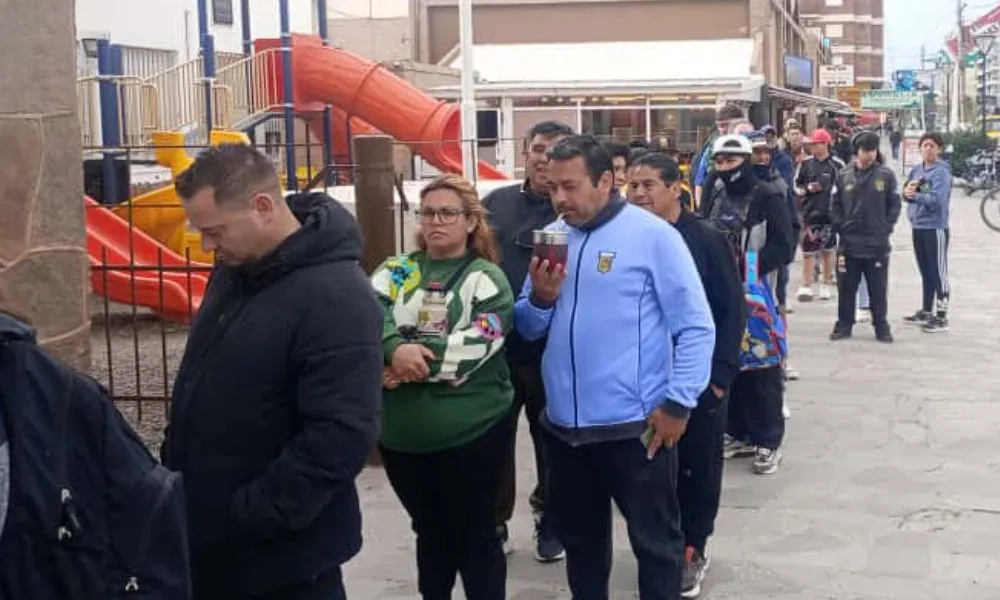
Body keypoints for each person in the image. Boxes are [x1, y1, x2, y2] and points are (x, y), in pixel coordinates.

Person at [164, 144, 383, 600]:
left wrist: (248, 514)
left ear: (262, 207)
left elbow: (341, 435)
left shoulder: (337, 297)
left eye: (215, 231)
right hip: (212, 545)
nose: (206, 247)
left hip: (283, 562)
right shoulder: (236, 270)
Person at [515, 135, 715, 599]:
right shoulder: (553, 237)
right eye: (553, 187)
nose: (559, 198)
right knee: (583, 550)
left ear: (606, 181)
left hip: (635, 429)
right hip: (564, 431)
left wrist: (679, 402)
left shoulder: (653, 237)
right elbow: (526, 326)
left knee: (656, 547)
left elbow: (695, 326)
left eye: (570, 186)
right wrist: (541, 298)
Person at [374, 174, 514, 600]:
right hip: (402, 439)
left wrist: (402, 363)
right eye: (428, 212)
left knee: (474, 536)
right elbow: (366, 311)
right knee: (429, 533)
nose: (436, 221)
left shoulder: (486, 278)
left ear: (471, 221)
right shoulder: (401, 269)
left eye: (448, 213)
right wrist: (393, 347)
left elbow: (479, 343)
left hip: (471, 436)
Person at [627, 153, 745, 599]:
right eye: (632, 185)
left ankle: (693, 548)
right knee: (653, 470)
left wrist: (718, 379)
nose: (639, 194)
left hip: (699, 381)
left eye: (648, 185)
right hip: (647, 381)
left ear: (675, 189)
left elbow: (731, 310)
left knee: (698, 470)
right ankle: (661, 547)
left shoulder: (705, 238)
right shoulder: (631, 237)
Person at [483, 119, 573, 562]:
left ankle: (551, 519)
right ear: (525, 153)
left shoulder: (575, 211)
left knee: (552, 440)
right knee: (493, 441)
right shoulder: (494, 205)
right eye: (538, 148)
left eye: (557, 149)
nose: (545, 158)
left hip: (552, 351)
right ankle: (494, 520)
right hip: (497, 349)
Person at [699, 134, 794, 475]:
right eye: (719, 161)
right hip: (715, 288)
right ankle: (738, 432)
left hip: (755, 291)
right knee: (729, 361)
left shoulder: (768, 194)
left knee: (762, 366)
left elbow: (784, 245)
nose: (725, 168)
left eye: (731, 161)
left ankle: (768, 440)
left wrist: (747, 268)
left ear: (747, 160)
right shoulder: (714, 190)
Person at [829, 131, 901, 343]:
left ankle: (881, 326)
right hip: (849, 243)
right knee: (846, 287)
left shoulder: (885, 176)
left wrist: (886, 226)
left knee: (878, 288)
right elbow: (835, 205)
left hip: (876, 243)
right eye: (865, 150)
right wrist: (840, 225)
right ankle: (844, 325)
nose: (869, 154)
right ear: (857, 151)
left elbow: (894, 204)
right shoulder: (843, 175)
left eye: (873, 150)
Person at [903, 132, 953, 333]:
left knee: (938, 272)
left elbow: (936, 200)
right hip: (918, 226)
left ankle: (941, 316)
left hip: (935, 227)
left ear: (939, 149)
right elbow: (908, 192)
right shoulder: (917, 170)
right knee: (925, 271)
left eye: (933, 145)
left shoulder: (942, 172)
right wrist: (909, 193)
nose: (928, 149)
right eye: (925, 145)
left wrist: (916, 194)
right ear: (920, 149)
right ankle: (926, 310)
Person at [794, 128, 844, 302]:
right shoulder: (805, 163)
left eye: (816, 144)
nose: (813, 147)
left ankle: (826, 283)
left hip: (830, 215)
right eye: (812, 144)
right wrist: (806, 189)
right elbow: (796, 185)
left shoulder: (837, 164)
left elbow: (844, 186)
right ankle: (806, 285)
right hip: (810, 213)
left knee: (828, 251)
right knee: (808, 251)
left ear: (825, 144)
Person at [693, 103, 745, 208]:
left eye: (728, 125)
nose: (723, 130)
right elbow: (699, 183)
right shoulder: (710, 150)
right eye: (721, 126)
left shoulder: (752, 145)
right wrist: (702, 210)